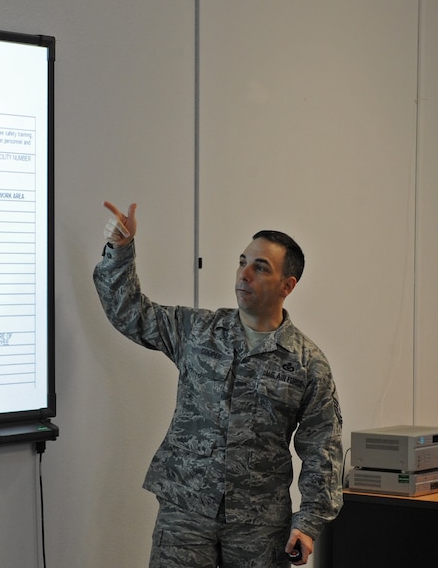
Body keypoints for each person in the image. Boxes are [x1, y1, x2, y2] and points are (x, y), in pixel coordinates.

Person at [93, 201, 343, 568]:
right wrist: (121, 250)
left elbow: (323, 447)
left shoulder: (306, 363)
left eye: (260, 268)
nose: (244, 274)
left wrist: (308, 521)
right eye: (243, 262)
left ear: (287, 285)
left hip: (258, 525)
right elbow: (130, 312)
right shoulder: (198, 332)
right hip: (185, 512)